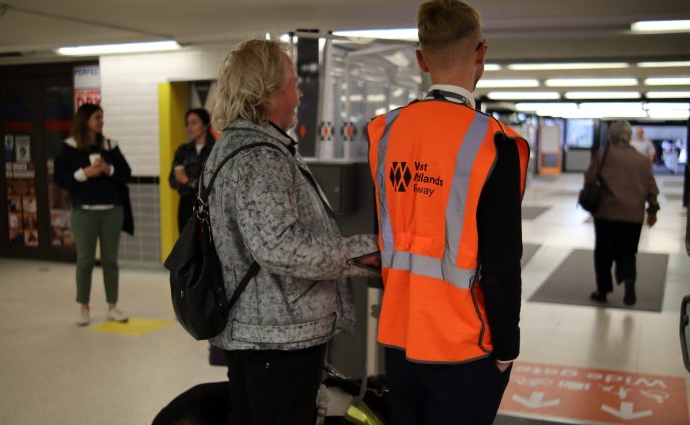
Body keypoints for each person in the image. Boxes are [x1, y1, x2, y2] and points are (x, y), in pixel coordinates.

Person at [366, 1, 530, 424]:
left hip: (399, 339)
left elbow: (387, 233)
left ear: (421, 60)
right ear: (481, 53)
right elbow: (502, 263)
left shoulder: (385, 133)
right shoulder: (495, 144)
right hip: (464, 345)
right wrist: (507, 348)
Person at [203, 38, 380, 425]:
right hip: (277, 342)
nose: (299, 94)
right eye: (292, 85)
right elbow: (280, 247)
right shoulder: (260, 156)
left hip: (260, 333)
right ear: (265, 94)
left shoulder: (237, 146)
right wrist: (368, 252)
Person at [55, 103, 132, 326]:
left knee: (110, 261)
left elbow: (126, 174)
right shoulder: (69, 147)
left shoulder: (110, 146)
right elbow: (61, 178)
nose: (101, 121)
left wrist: (109, 170)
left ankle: (113, 306)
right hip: (83, 211)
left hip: (111, 211)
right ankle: (84, 307)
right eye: (97, 117)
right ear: (85, 120)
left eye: (102, 117)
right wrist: (83, 173)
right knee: (85, 261)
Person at [586, 121, 659, 306]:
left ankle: (602, 292)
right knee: (628, 253)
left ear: (611, 136)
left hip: (606, 214)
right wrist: (652, 211)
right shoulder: (642, 160)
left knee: (603, 253)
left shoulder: (603, 155)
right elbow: (652, 188)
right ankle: (629, 284)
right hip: (633, 216)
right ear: (629, 136)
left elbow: (590, 179)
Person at [168, 108, 216, 231]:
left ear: (205, 125)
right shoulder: (183, 150)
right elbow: (172, 181)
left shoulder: (216, 149)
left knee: (207, 246)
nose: (189, 127)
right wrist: (181, 179)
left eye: (194, 123)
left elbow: (213, 183)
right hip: (186, 205)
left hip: (209, 205)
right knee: (186, 246)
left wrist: (187, 181)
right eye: (187, 124)